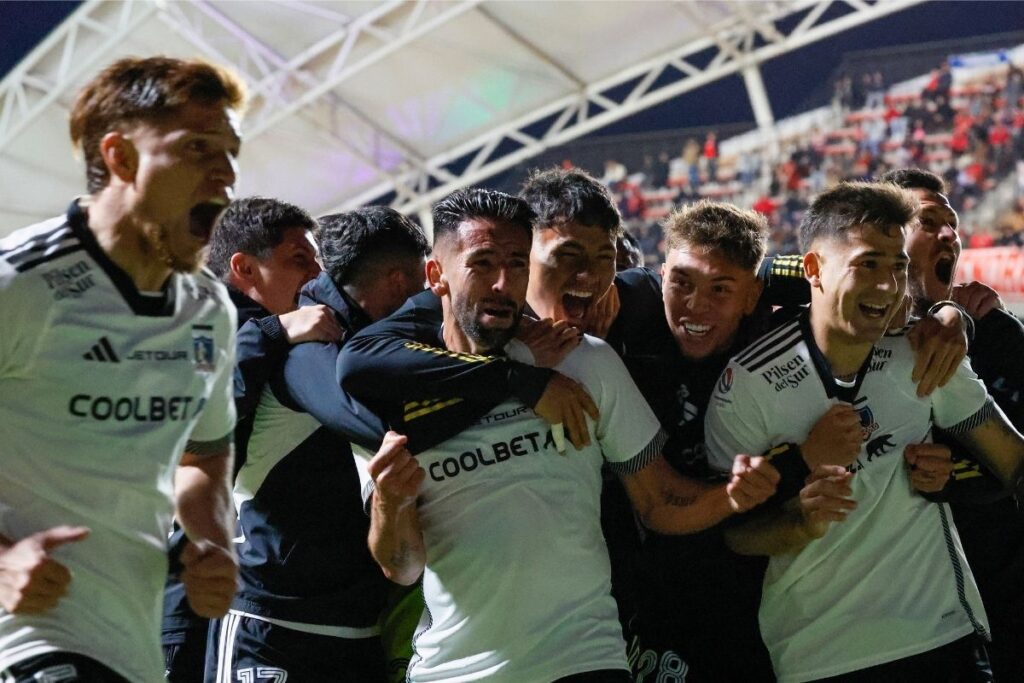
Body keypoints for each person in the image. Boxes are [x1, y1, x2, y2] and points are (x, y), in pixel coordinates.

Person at [340, 187, 780, 683]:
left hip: (584, 660)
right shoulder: (390, 391)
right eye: (482, 264)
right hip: (453, 670)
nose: (504, 283)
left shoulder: (585, 362)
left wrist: (733, 495)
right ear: (436, 276)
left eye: (515, 263)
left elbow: (659, 503)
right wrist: (390, 505)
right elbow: (402, 566)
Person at [707, 181, 1024, 682]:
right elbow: (733, 536)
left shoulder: (924, 353)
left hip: (940, 638)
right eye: (866, 265)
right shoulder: (744, 386)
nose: (887, 284)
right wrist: (799, 522)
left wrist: (957, 476)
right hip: (819, 656)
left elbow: (1014, 463)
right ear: (813, 269)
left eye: (897, 266)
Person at [0, 56, 244, 682]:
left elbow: (204, 458)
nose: (226, 173)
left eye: (230, 151)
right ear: (121, 158)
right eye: (197, 147)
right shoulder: (19, 285)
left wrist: (211, 539)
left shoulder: (207, 309)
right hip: (26, 642)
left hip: (130, 645)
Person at [210, 207, 432, 682]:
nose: (315, 271)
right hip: (273, 622)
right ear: (397, 282)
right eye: (299, 259)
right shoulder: (305, 342)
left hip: (356, 627)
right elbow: (372, 425)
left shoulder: (357, 340)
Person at [161, 196, 332, 682]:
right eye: (300, 260)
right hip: (184, 601)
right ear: (244, 268)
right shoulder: (202, 323)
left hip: (221, 599)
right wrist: (274, 332)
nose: (316, 275)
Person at [879, 168, 1024, 681]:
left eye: (953, 223)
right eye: (928, 221)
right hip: (909, 627)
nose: (949, 234)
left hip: (1005, 603)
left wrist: (958, 473)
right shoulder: (854, 352)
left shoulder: (999, 335)